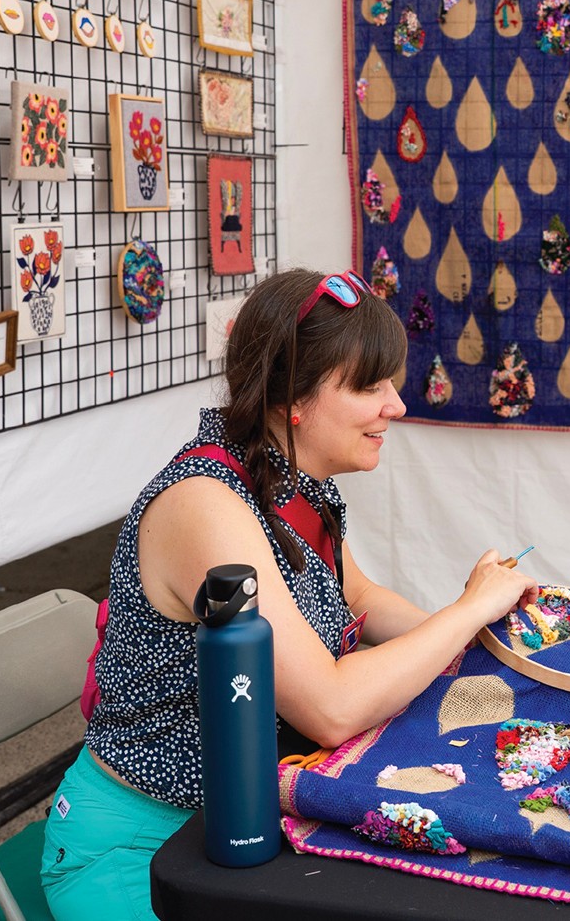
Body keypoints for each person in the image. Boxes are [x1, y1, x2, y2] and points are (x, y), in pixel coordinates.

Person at [41, 268, 538, 921]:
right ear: (289, 397)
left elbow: (357, 597)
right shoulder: (206, 506)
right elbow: (332, 706)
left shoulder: (291, 475)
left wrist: (480, 637)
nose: (396, 405)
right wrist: (469, 610)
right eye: (369, 386)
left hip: (249, 822)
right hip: (146, 848)